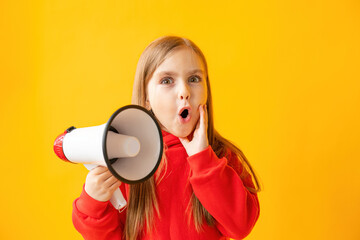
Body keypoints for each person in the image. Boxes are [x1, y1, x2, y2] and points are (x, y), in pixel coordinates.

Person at [72, 36, 261, 240]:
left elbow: (241, 225)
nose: (184, 92)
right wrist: (93, 203)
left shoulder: (221, 157)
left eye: (194, 79)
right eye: (167, 81)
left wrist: (204, 161)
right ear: (146, 98)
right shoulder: (126, 164)